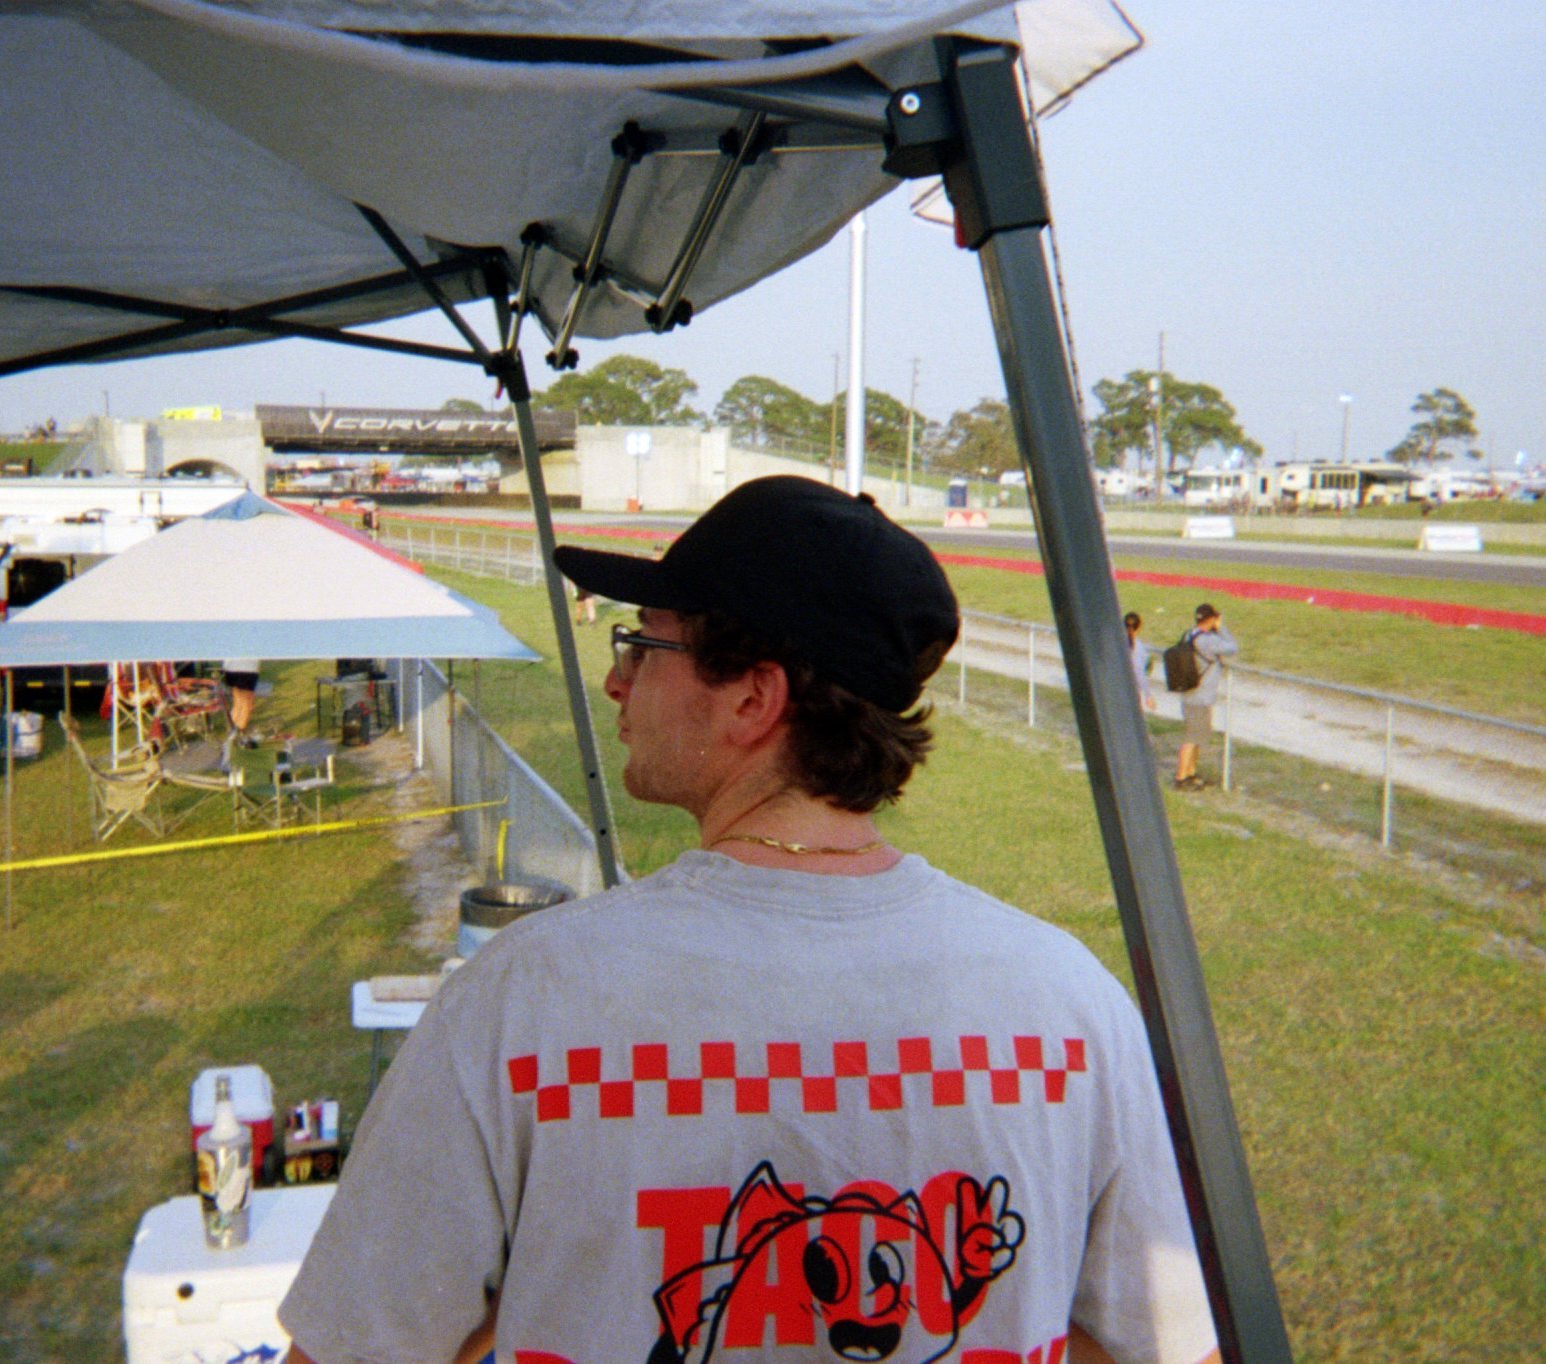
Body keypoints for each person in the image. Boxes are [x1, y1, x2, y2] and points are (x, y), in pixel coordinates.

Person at [278, 476, 1218, 1364]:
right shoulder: (1070, 1009)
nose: (618, 682)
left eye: (641, 646)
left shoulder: (523, 1000)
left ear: (753, 696)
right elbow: (1158, 1343)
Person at [1172, 604, 1237, 792]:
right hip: (1201, 695)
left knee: (1197, 735)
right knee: (1192, 737)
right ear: (1210, 619)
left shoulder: (1188, 635)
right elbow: (1232, 648)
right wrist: (1221, 627)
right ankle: (1181, 777)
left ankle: (1190, 773)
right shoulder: (1209, 641)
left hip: (1189, 691)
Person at [221, 658, 260, 743]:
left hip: (238, 667)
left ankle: (233, 734)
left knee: (240, 702)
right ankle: (237, 735)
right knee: (245, 703)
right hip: (244, 668)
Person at [1125, 610, 1155, 712]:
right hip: (1131, 692)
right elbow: (1140, 674)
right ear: (1139, 627)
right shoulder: (1138, 647)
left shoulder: (1115, 643)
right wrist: (1148, 696)